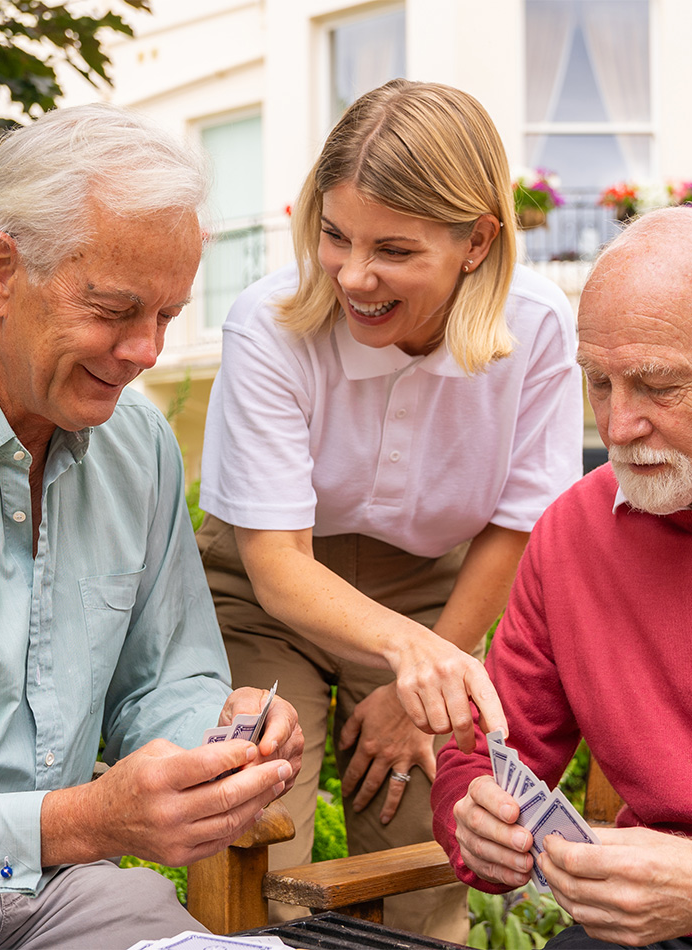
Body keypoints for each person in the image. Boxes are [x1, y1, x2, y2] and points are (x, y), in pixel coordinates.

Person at [0, 103, 303, 949]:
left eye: (169, 316)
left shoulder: (136, 440)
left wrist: (221, 743)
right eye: (117, 309)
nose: (147, 350)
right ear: (0, 269)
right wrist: (78, 823)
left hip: (62, 895)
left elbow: (164, 682)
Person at [197, 79, 583, 940]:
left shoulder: (540, 329)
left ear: (477, 240)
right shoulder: (269, 325)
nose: (354, 276)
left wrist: (423, 683)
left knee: (416, 862)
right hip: (269, 595)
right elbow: (276, 564)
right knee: (259, 835)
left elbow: (519, 526)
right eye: (335, 235)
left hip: (433, 596)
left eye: (395, 250)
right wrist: (418, 660)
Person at [432, 206, 692, 948]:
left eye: (657, 386)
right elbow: (485, 753)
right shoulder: (572, 535)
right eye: (599, 383)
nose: (616, 428)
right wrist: (475, 814)